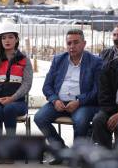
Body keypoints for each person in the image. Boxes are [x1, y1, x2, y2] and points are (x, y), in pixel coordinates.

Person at [34, 29, 102, 165]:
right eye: (69, 43)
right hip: (59, 102)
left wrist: (79, 101)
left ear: (84, 44)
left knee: (81, 121)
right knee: (39, 118)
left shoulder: (95, 62)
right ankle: (60, 151)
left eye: (76, 42)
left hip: (83, 103)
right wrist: (55, 100)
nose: (72, 46)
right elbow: (46, 86)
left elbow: (98, 90)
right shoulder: (58, 60)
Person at [0, 20, 33, 164]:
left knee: (10, 109)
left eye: (10, 37)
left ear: (16, 39)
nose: (7, 40)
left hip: (17, 102)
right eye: (3, 38)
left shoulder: (24, 60)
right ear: (0, 40)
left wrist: (12, 98)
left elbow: (27, 84)